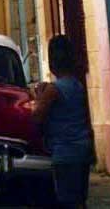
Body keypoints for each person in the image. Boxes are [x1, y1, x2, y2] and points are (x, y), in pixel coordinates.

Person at [31, 35, 94, 208]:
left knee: (66, 201)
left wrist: (38, 97)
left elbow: (37, 116)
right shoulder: (77, 85)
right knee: (80, 200)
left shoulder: (54, 90)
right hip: (82, 149)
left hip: (65, 152)